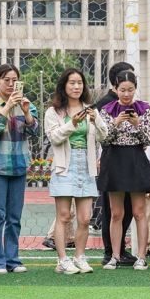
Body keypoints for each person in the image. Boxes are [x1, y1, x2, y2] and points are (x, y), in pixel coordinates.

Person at [44, 67, 104, 275]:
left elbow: (104, 136)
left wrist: (96, 119)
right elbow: (54, 138)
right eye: (72, 82)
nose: (76, 86)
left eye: (80, 82)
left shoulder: (90, 109)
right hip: (64, 165)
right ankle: (62, 259)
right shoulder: (54, 112)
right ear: (64, 86)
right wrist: (72, 124)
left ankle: (80, 256)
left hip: (86, 166)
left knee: (85, 218)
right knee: (63, 216)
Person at [98, 73, 150, 271]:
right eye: (122, 90)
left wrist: (137, 124)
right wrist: (115, 124)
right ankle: (115, 256)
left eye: (130, 89)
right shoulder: (107, 110)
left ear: (135, 89)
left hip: (135, 160)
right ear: (115, 89)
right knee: (116, 213)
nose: (126, 94)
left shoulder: (145, 109)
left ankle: (142, 256)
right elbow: (103, 139)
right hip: (114, 159)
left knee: (139, 212)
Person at [0, 63, 36, 275]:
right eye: (6, 80)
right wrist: (6, 108)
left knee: (14, 216)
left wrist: (26, 112)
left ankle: (12, 259)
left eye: (15, 80)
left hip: (19, 165)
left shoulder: (26, 104)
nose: (11, 84)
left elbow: (35, 130)